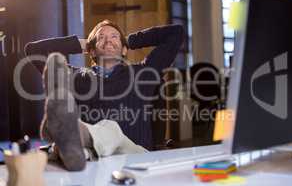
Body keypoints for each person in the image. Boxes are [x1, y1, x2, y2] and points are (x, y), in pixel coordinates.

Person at [38, 20, 184, 171]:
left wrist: (129, 41)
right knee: (80, 150)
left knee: (111, 130)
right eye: (101, 37)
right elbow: (34, 51)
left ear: (124, 50)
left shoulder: (143, 72)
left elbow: (176, 33)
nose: (108, 40)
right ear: (92, 51)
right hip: (96, 159)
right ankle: (70, 141)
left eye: (114, 37)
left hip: (134, 157)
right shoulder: (79, 77)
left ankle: (67, 132)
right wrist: (83, 44)